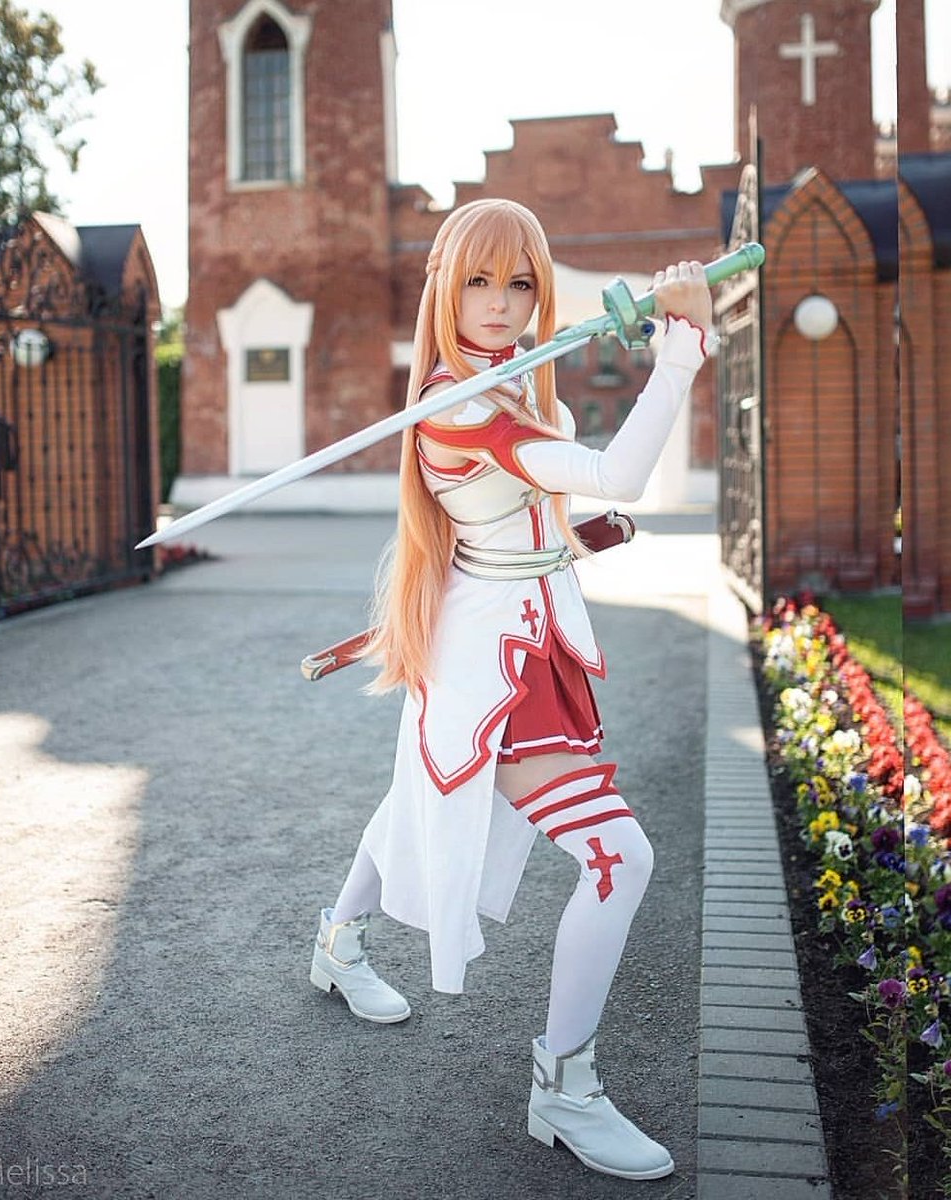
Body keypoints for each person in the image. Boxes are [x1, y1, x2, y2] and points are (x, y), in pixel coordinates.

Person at [308, 197, 712, 1181]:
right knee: (618, 858)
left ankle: (337, 942)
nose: (499, 302)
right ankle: (564, 1088)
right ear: (444, 286)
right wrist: (682, 347)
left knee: (421, 794)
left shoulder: (520, 381)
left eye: (520, 282)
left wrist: (573, 539)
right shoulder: (459, 407)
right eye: (478, 281)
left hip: (525, 637)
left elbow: (530, 518)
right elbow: (618, 471)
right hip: (496, 663)